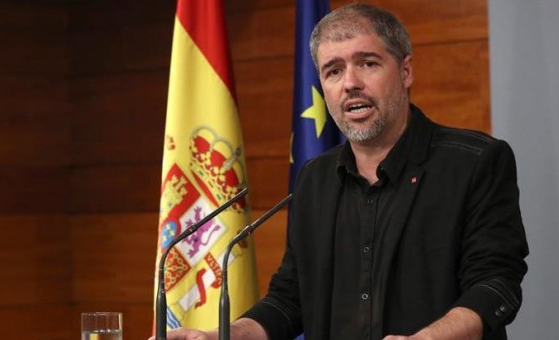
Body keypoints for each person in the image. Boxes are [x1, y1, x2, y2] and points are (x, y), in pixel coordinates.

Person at [152, 3, 529, 340]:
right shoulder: (314, 179)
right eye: (333, 71)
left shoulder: (475, 162)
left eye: (368, 63)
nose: (350, 83)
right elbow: (290, 299)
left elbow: (497, 284)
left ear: (406, 70)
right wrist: (224, 335)